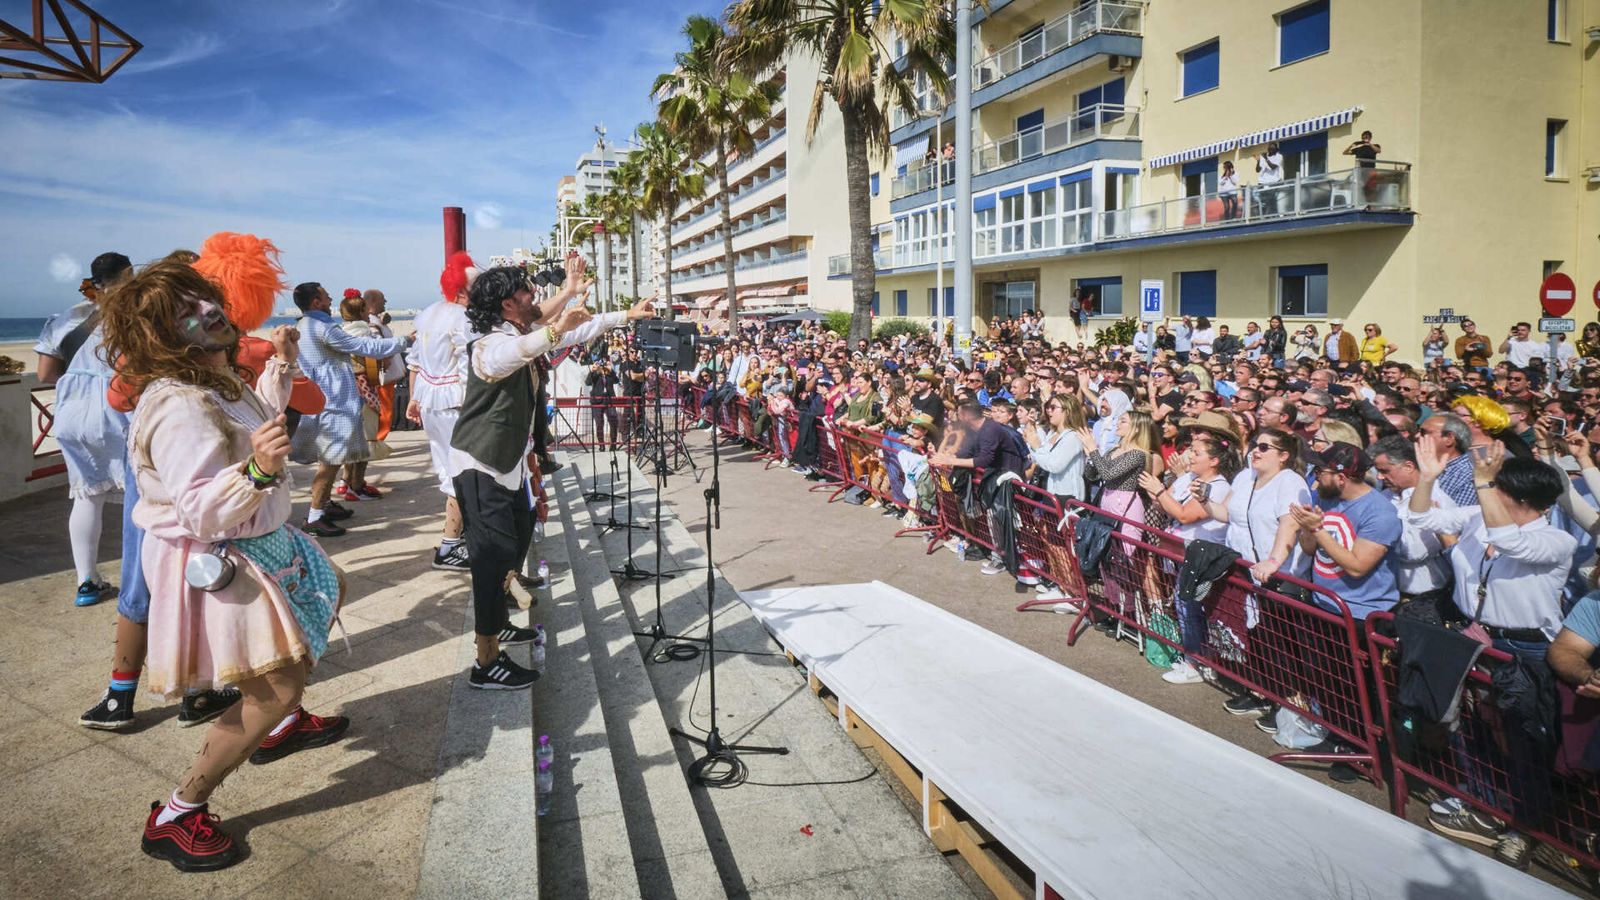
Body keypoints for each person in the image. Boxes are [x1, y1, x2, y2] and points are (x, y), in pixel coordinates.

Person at [102, 261, 349, 873]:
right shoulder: (178, 404)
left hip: (263, 541)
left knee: (325, 598)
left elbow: (254, 419)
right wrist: (261, 472)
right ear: (163, 333)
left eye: (207, 300)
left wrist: (283, 366)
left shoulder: (216, 382)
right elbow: (201, 509)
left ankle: (283, 723)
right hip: (228, 554)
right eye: (189, 309)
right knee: (274, 684)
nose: (211, 312)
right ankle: (179, 812)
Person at [450, 260, 650, 690]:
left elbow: (568, 332)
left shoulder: (518, 332)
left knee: (517, 539)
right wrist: (557, 327)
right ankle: (486, 661)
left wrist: (624, 317)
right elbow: (516, 354)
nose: (535, 299)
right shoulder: (489, 344)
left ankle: (499, 621)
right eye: (526, 294)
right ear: (507, 304)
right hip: (480, 465)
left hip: (508, 464)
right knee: (491, 559)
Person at [1408, 442, 1574, 859]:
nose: (1485, 493)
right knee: (1472, 730)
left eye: (1495, 488)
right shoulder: (1476, 518)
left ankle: (1525, 826)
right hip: (1475, 638)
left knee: (1523, 744)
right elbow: (1420, 515)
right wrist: (1427, 477)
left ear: (1521, 500)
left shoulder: (1556, 542)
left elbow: (1510, 541)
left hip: (1526, 650)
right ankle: (1482, 803)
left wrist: (1482, 480)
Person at [36, 251, 133, 606]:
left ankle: (87, 582)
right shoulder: (135, 315)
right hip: (117, 407)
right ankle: (142, 579)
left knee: (87, 496)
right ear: (128, 274)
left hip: (71, 413)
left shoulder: (63, 318)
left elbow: (45, 374)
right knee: (139, 494)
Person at [288, 281, 406, 537]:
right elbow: (364, 347)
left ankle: (325, 504)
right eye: (325, 295)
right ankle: (315, 516)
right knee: (330, 462)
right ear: (316, 302)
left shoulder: (303, 325)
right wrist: (404, 341)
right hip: (334, 401)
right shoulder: (323, 328)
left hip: (320, 399)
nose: (330, 298)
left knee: (329, 458)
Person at [407, 251, 478, 570]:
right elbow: (468, 368)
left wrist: (412, 398)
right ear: (462, 290)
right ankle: (450, 545)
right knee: (461, 473)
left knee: (448, 467)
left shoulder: (430, 313)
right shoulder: (463, 319)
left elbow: (415, 362)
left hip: (430, 401)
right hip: (454, 403)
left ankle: (455, 539)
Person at [1292, 443, 1401, 621]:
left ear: (1341, 478)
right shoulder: (1327, 497)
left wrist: (1317, 529)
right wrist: (1307, 528)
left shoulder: (1380, 513)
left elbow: (1357, 567)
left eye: (1320, 471)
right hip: (1322, 603)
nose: (1316, 477)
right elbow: (1310, 550)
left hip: (1359, 615)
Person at [333, 290, 391, 501]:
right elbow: (373, 363)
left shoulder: (338, 332)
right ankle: (356, 484)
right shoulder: (365, 333)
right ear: (362, 311)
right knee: (367, 437)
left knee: (350, 437)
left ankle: (344, 481)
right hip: (365, 386)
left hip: (345, 389)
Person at [1255, 142, 1284, 214]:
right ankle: (1263, 216)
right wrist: (1258, 161)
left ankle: (1273, 214)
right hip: (1262, 182)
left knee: (1271, 201)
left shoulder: (1279, 156)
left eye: (1273, 148)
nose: (1271, 149)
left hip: (1273, 182)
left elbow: (1273, 167)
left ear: (1276, 149)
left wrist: (1266, 159)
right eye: (1270, 148)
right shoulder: (1263, 157)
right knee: (1262, 202)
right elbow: (1257, 170)